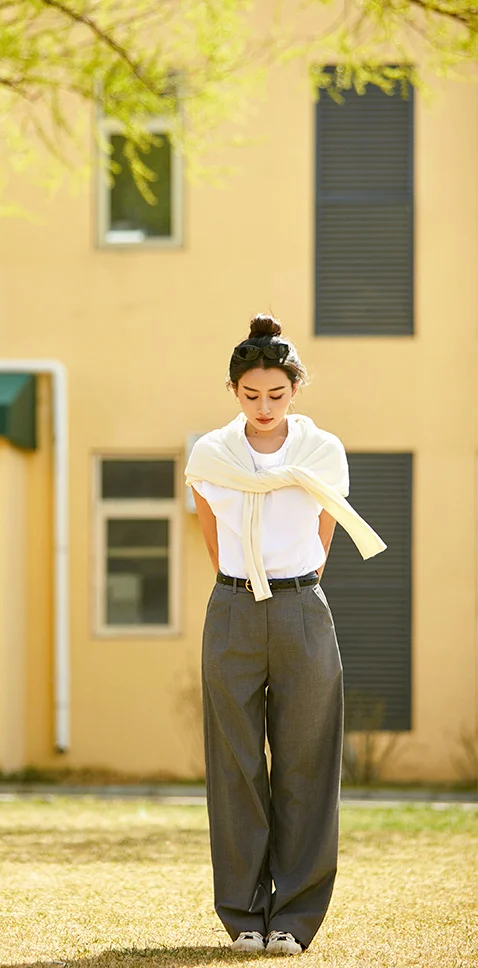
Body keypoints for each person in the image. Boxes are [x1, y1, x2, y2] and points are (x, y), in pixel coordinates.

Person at [184, 312, 386, 956]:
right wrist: (242, 585)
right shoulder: (212, 454)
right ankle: (243, 915)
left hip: (303, 609)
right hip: (233, 610)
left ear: (295, 389)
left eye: (276, 394)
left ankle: (294, 920)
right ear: (233, 391)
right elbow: (212, 533)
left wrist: (295, 587)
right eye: (251, 395)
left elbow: (325, 533)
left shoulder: (321, 451)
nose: (264, 407)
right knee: (236, 765)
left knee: (306, 763)